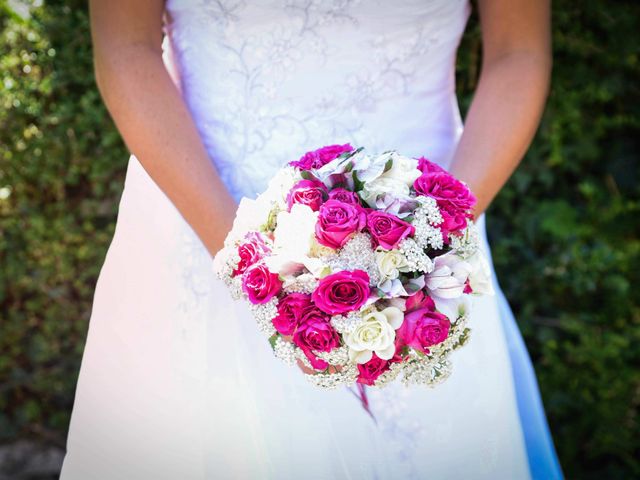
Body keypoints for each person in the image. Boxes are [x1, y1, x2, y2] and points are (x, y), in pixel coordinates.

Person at [60, 0, 563, 478]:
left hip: (425, 235)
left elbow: (516, 52)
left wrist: (439, 238)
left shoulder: (433, 244)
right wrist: (250, 263)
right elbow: (126, 47)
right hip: (203, 212)